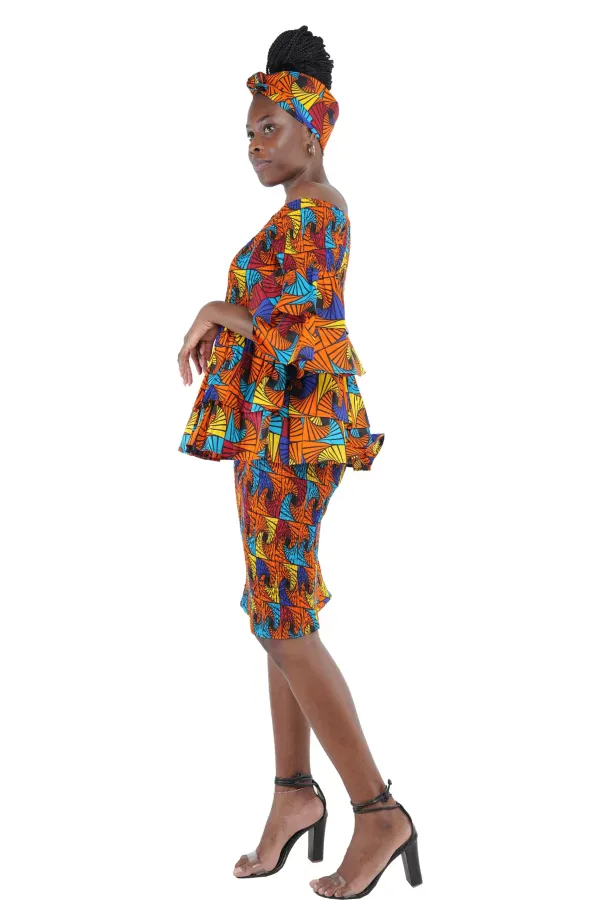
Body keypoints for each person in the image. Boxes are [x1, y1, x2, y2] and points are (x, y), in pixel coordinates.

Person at [176, 25, 422, 898]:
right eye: (248, 132)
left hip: (295, 430)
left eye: (270, 128)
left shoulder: (317, 210)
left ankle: (378, 811)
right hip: (273, 428)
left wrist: (217, 309)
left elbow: (308, 336)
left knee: (282, 618)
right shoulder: (299, 212)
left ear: (313, 131)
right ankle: (293, 794)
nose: (254, 145)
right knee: (275, 605)